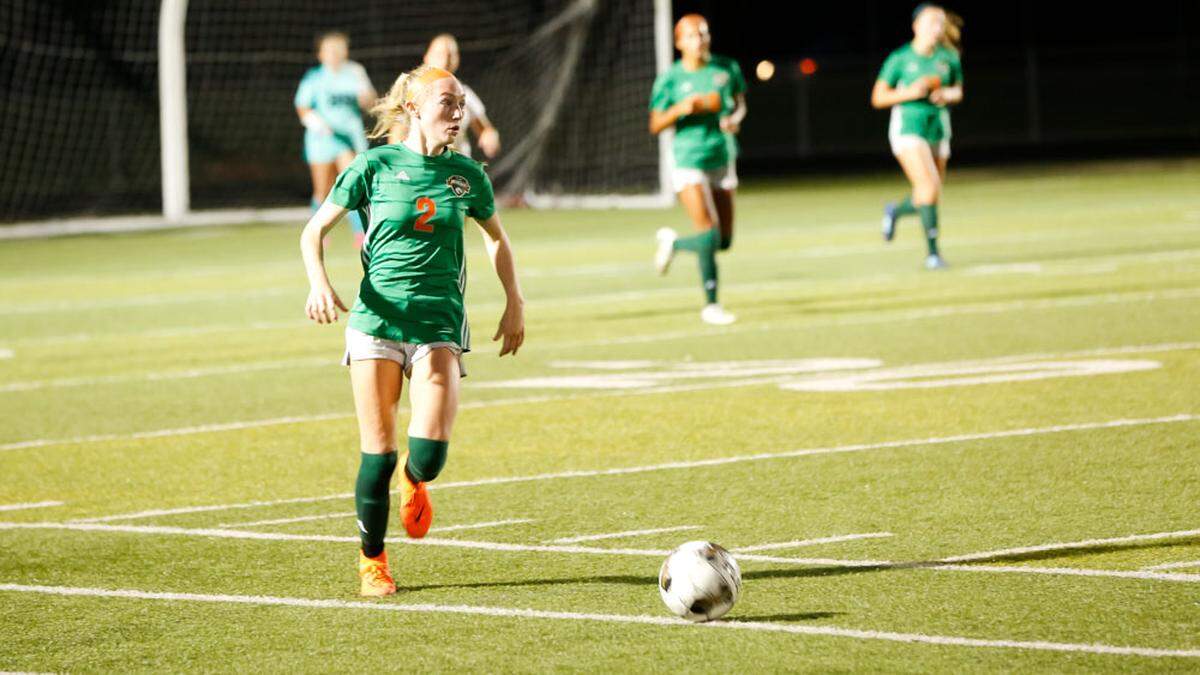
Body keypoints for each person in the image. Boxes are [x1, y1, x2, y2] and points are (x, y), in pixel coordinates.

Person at [299, 64, 525, 597]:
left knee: (430, 454)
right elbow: (314, 232)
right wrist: (318, 284)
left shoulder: (468, 176)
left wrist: (515, 301)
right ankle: (372, 562)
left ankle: (415, 479)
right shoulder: (373, 166)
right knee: (377, 452)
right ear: (414, 109)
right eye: (447, 102)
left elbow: (497, 239)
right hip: (376, 321)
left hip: (438, 324)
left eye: (461, 102)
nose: (458, 111)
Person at [649, 14, 746, 326]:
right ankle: (712, 305)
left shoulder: (726, 68)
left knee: (724, 240)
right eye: (691, 36)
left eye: (703, 34)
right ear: (679, 43)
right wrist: (680, 109)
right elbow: (655, 123)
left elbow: (739, 103)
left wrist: (735, 119)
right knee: (709, 233)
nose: (699, 40)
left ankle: (674, 244)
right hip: (688, 158)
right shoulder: (671, 79)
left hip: (721, 155)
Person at [872, 4, 964, 269]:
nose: (936, 28)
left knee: (930, 193)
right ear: (916, 26)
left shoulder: (948, 57)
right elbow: (878, 97)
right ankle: (933, 254)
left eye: (940, 23)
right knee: (929, 187)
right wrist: (911, 93)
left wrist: (946, 95)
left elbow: (957, 91)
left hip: (938, 127)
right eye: (930, 22)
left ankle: (895, 211)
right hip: (908, 129)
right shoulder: (900, 59)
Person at [294, 31, 378, 249]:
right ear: (320, 54)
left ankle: (361, 234)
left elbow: (371, 103)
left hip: (349, 139)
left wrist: (366, 97)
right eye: (329, 50)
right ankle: (318, 232)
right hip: (321, 140)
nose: (334, 54)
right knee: (322, 190)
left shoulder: (355, 72)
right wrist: (320, 125)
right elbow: (302, 108)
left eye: (338, 49)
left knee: (353, 185)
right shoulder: (314, 77)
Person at [423, 34, 501, 160]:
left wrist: (490, 137)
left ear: (456, 60)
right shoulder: (414, 93)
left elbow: (485, 130)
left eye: (450, 55)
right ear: (427, 57)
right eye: (440, 54)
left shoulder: (466, 94)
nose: (445, 59)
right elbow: (397, 133)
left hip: (458, 171)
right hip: (425, 171)